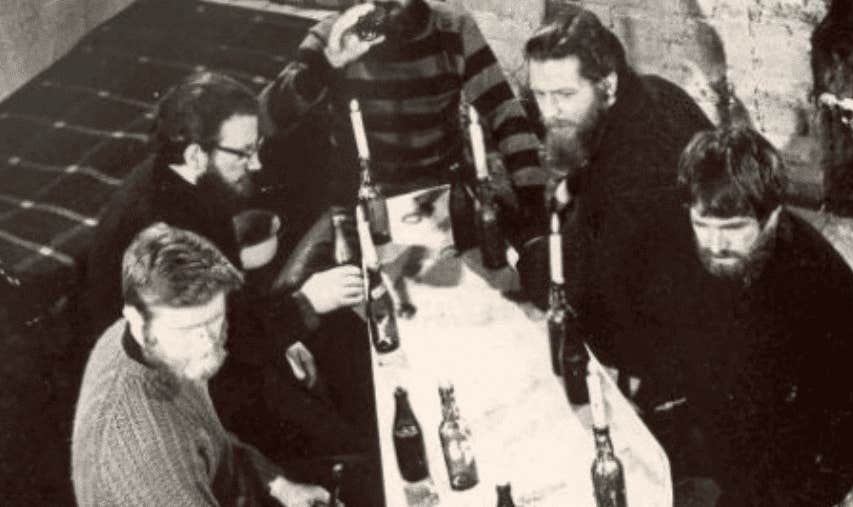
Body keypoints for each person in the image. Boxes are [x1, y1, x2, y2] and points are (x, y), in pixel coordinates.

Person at [81, 71, 378, 472]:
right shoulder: (162, 232)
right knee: (357, 455)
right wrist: (306, 304)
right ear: (195, 155)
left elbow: (233, 299)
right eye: (244, 152)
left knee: (342, 371)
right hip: (183, 389)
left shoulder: (192, 181)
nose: (256, 163)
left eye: (256, 147)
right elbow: (223, 344)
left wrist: (285, 335)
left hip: (222, 343)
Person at [607, 125, 853, 506]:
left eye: (734, 229)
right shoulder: (692, 240)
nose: (715, 245)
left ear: (773, 215)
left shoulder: (823, 290)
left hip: (794, 473)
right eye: (702, 225)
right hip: (725, 436)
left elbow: (846, 437)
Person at [72, 223, 337, 506]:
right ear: (136, 319)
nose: (206, 343)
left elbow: (209, 440)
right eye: (187, 329)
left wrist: (281, 486)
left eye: (213, 321)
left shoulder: (153, 346)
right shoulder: (146, 456)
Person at [260, 0, 547, 236]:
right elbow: (268, 119)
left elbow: (505, 114)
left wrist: (533, 202)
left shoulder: (454, 28)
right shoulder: (333, 35)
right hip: (357, 204)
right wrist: (326, 65)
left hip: (445, 193)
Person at [515, 5, 713, 312]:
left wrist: (528, 244)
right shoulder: (658, 90)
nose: (549, 112)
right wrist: (575, 184)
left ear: (608, 84)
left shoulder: (622, 176)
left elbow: (557, 285)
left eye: (565, 94)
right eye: (540, 94)